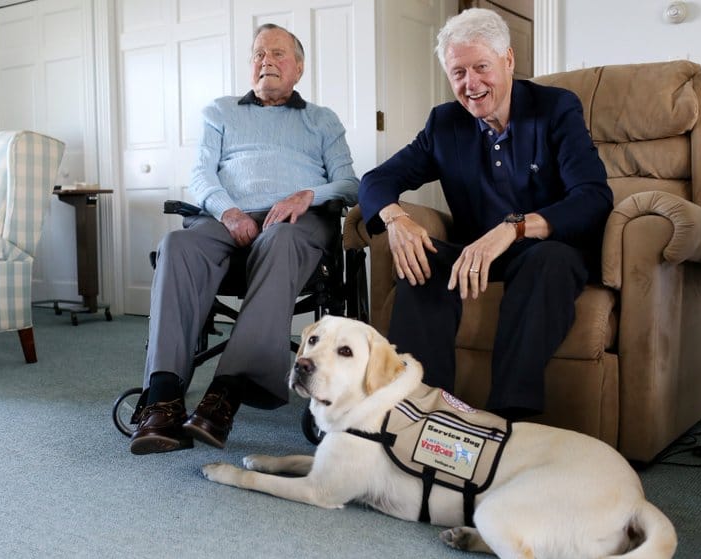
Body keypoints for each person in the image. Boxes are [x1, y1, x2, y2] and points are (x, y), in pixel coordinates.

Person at [358, 8, 612, 421]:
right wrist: (396, 220)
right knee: (420, 260)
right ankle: (417, 409)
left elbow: (593, 197)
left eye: (481, 67)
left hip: (544, 249)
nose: (470, 84)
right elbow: (375, 180)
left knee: (550, 260)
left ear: (508, 60)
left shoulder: (555, 108)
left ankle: (511, 416)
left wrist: (514, 228)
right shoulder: (445, 123)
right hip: (474, 253)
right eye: (458, 72)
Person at [130, 23, 359, 454]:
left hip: (296, 223)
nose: (266, 61)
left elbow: (350, 184)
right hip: (229, 219)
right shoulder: (220, 112)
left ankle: (225, 394)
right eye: (258, 54)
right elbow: (200, 174)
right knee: (176, 246)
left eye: (277, 54)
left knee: (282, 241)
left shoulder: (321, 120)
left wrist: (308, 195)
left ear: (299, 67)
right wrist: (228, 210)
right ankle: (162, 398)